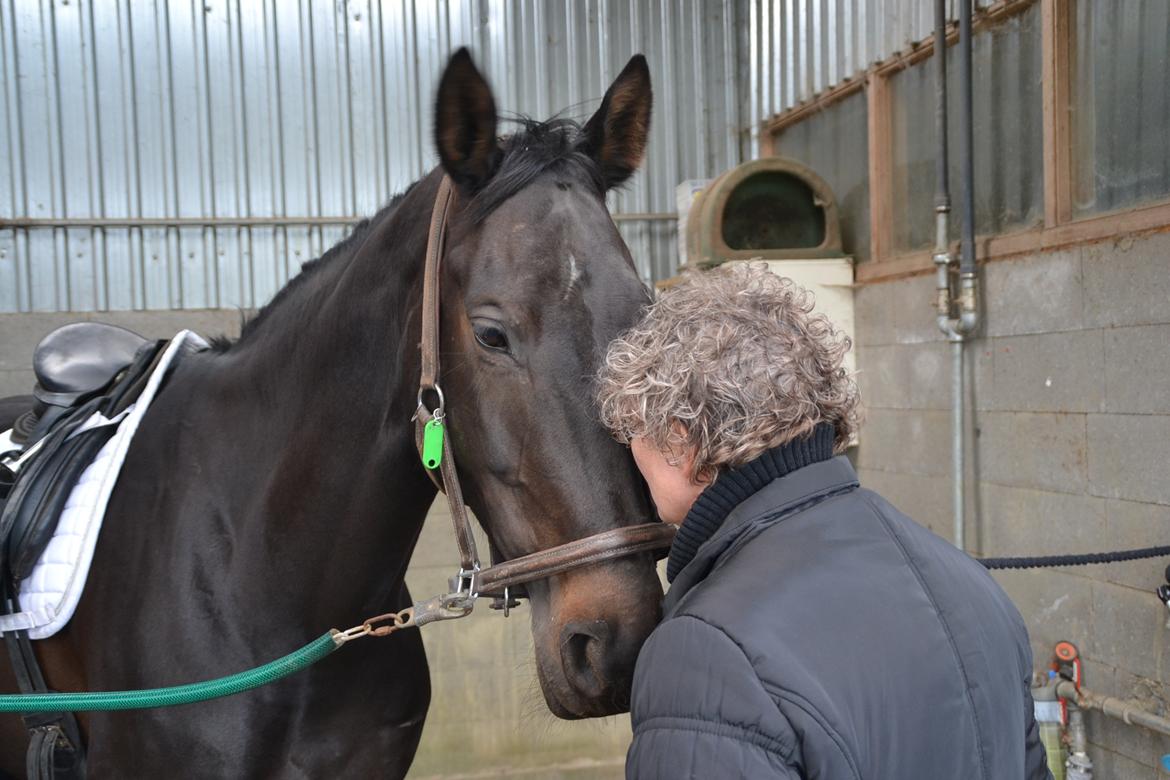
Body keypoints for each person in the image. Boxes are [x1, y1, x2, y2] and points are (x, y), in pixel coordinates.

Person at [596, 263, 1050, 780]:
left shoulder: (706, 654)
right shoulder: (970, 584)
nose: (630, 452)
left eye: (632, 429)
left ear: (682, 442)